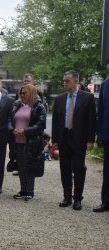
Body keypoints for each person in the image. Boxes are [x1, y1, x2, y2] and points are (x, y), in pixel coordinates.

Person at [52, 70, 96, 210]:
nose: (64, 83)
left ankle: (78, 198)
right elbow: (56, 121)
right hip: (64, 136)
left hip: (79, 138)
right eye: (64, 80)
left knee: (78, 168)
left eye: (67, 81)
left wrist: (90, 140)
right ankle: (67, 196)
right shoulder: (59, 99)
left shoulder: (87, 98)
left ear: (76, 81)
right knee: (64, 168)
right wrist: (55, 139)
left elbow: (91, 120)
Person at [11, 84, 46, 201]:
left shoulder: (39, 106)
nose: (22, 95)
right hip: (18, 140)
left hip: (31, 141)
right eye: (21, 93)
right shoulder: (18, 105)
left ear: (31, 93)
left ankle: (30, 191)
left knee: (30, 166)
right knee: (21, 166)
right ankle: (23, 190)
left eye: (24, 93)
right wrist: (13, 129)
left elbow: (41, 124)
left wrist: (25, 131)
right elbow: (11, 119)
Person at [93, 78, 109, 212]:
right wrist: (99, 133)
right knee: (107, 171)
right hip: (107, 134)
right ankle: (106, 202)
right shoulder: (105, 85)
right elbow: (101, 109)